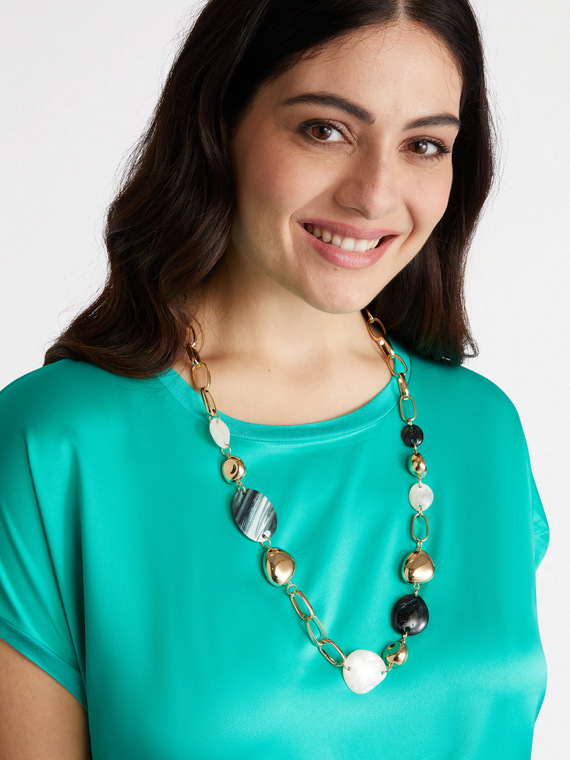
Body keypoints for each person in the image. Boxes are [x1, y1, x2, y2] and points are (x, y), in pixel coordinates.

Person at [0, 0, 549, 757]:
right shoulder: (56, 445)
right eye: (325, 130)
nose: (375, 193)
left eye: (424, 144)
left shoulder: (482, 430)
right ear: (219, 121)